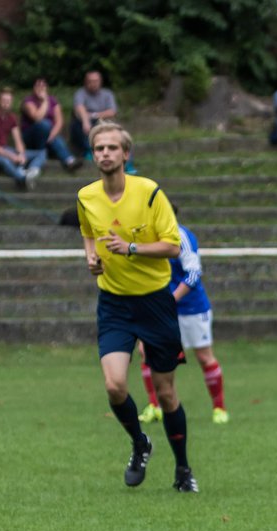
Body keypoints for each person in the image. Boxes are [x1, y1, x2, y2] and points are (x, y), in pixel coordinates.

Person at [77, 122, 197, 492]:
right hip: (113, 303)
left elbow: (173, 247)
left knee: (165, 394)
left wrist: (130, 248)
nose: (106, 154)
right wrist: (92, 258)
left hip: (155, 302)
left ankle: (183, 470)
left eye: (113, 148)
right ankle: (140, 443)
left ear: (126, 154)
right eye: (99, 149)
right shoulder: (86, 196)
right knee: (114, 386)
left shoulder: (149, 192)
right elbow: (88, 234)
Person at [138, 208, 227, 426]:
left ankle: (219, 408)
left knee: (205, 357)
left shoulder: (181, 237)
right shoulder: (146, 238)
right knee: (147, 352)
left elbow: (194, 273)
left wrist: (171, 299)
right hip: (161, 309)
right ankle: (156, 406)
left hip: (191, 308)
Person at [0, 87, 46, 190]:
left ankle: (30, 172)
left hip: (6, 149)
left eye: (9, 101)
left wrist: (21, 154)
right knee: (5, 161)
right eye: (4, 100)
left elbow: (18, 141)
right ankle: (22, 178)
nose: (6, 103)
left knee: (41, 153)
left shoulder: (12, 117)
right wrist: (11, 156)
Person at [21, 78, 80, 171]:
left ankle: (70, 161)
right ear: (33, 88)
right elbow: (37, 118)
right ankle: (42, 153)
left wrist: (51, 135)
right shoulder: (28, 101)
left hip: (48, 138)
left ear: (47, 88)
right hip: (31, 138)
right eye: (38, 85)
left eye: (43, 85)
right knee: (45, 124)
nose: (40, 88)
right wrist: (45, 101)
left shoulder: (53, 101)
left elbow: (59, 121)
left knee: (54, 136)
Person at [70, 70, 119, 160]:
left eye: (96, 81)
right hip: (83, 122)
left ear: (100, 81)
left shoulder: (107, 94)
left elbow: (112, 111)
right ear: (85, 82)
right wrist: (85, 120)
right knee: (77, 125)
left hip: (102, 121)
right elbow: (79, 108)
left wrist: (94, 115)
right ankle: (88, 150)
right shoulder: (80, 93)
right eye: (90, 81)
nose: (93, 84)